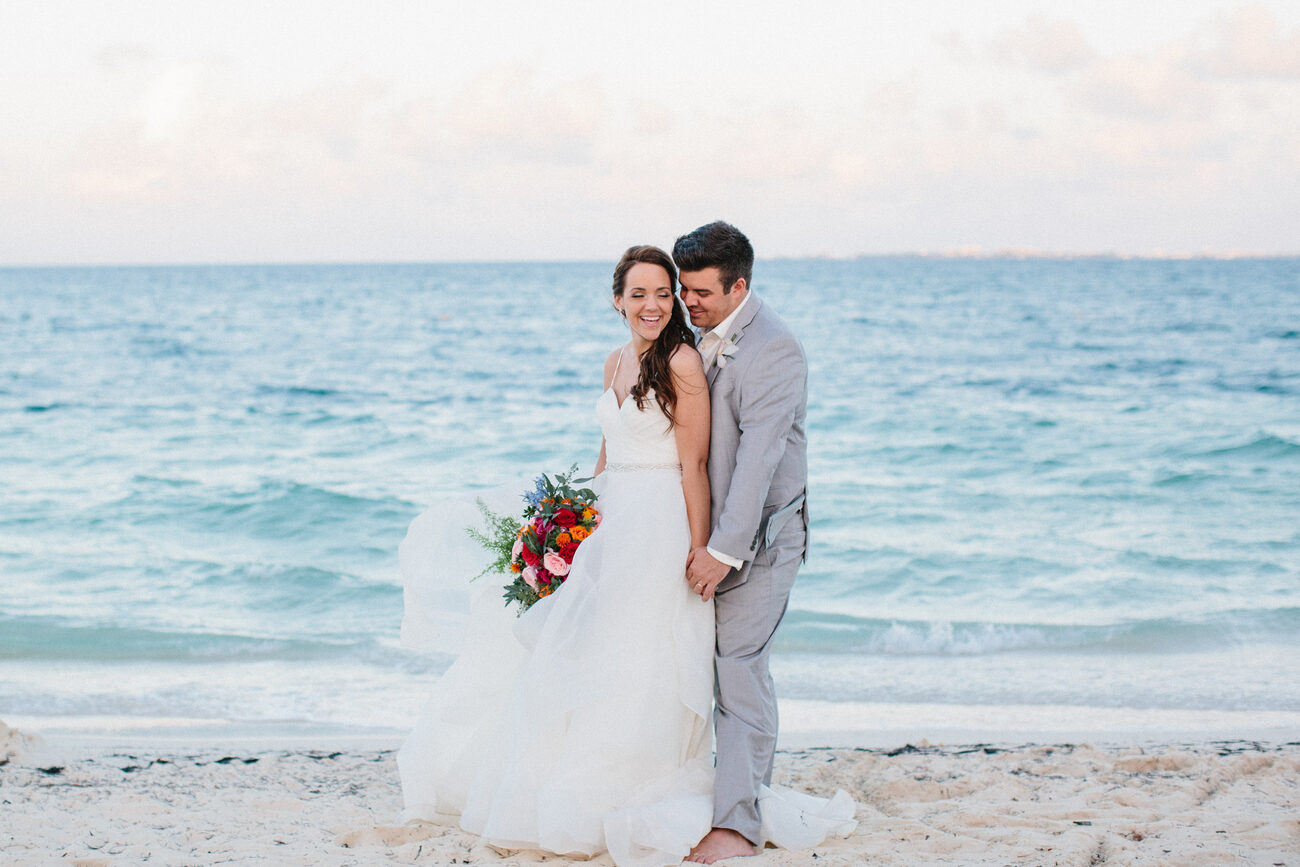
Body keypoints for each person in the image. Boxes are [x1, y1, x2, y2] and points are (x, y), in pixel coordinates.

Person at [397, 244, 853, 867]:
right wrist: (579, 523)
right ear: (617, 299)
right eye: (641, 294)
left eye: (665, 293)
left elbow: (695, 465)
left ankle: (666, 794)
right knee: (597, 650)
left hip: (662, 524)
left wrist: (702, 549)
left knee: (649, 659)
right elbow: (608, 450)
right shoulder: (612, 363)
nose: (658, 305)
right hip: (616, 522)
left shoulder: (686, 362)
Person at [675, 222, 811, 864]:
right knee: (698, 669)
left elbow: (759, 460)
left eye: (701, 292)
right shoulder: (695, 339)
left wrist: (721, 551)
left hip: (760, 542)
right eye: (684, 289)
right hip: (707, 537)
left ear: (740, 286)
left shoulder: (774, 349)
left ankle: (737, 825)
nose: (688, 302)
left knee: (739, 673)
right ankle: (716, 798)